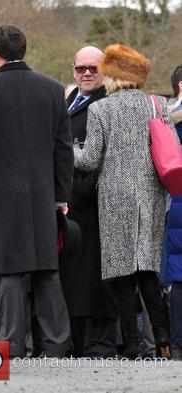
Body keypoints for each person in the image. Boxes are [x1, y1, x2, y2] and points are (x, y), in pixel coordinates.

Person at [0, 25, 74, 358]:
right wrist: (61, 195)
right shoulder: (53, 90)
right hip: (42, 196)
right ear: (23, 50)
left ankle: (10, 345)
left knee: (8, 272)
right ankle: (57, 345)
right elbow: (63, 149)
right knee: (46, 269)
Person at [73, 43, 175, 359]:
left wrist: (68, 148)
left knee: (121, 276)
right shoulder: (158, 104)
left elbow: (89, 160)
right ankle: (163, 343)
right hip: (151, 199)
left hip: (115, 200)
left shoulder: (100, 109)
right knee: (147, 273)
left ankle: (130, 345)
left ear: (112, 75)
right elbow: (172, 149)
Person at [59, 46, 117, 358]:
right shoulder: (69, 100)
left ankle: (102, 345)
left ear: (104, 70)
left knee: (97, 277)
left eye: (93, 69)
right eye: (81, 69)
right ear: (73, 70)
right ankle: (77, 343)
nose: (86, 74)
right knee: (72, 277)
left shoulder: (107, 103)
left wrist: (86, 188)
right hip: (68, 204)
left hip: (96, 204)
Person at [162, 65, 182, 361]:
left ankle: (178, 344)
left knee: (179, 278)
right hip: (178, 203)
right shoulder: (170, 118)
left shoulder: (165, 117)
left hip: (175, 200)